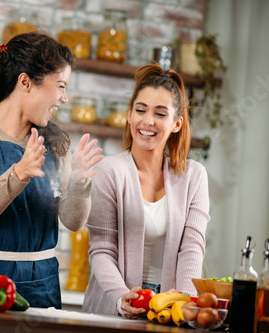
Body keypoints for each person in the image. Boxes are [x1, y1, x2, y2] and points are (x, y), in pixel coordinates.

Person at [0, 32, 103, 309]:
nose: (64, 98)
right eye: (61, 86)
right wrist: (18, 174)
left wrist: (80, 185)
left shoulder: (54, 145)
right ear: (26, 82)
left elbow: (73, 221)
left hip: (42, 284)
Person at [82, 64, 210, 318]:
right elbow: (102, 249)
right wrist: (121, 296)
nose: (148, 121)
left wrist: (183, 305)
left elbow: (192, 248)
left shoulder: (194, 176)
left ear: (176, 124)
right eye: (140, 110)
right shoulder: (109, 171)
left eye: (161, 114)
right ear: (129, 115)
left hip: (168, 312)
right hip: (111, 310)